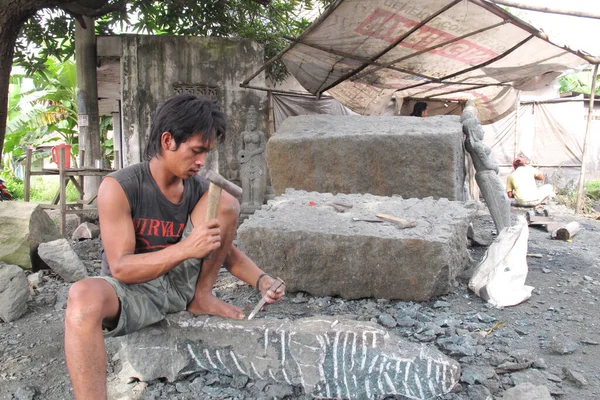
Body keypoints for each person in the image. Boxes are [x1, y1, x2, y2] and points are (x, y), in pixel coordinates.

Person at [64, 94, 285, 399]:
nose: (202, 162)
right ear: (168, 141)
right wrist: (186, 249)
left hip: (181, 286)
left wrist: (262, 280)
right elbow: (121, 268)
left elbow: (221, 248)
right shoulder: (119, 187)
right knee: (83, 297)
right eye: (196, 151)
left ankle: (202, 297)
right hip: (135, 292)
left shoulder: (199, 191)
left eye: (206, 153)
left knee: (227, 203)